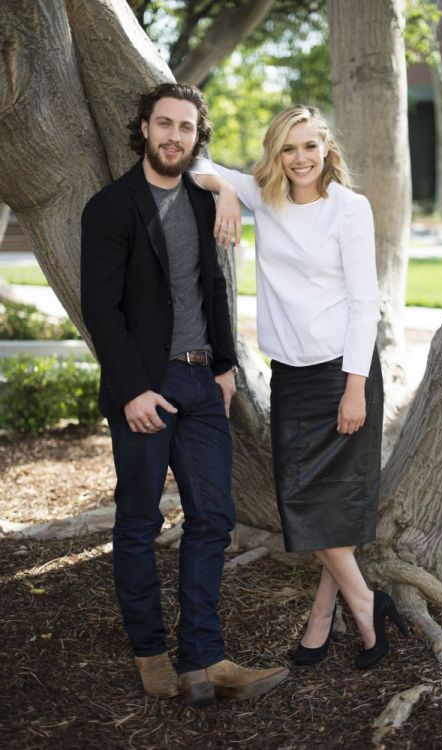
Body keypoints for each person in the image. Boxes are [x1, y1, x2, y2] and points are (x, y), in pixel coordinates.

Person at [80, 82, 288, 706]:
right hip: (146, 387)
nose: (175, 136)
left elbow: (213, 289)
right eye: (164, 123)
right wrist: (131, 391)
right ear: (143, 127)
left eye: (187, 127)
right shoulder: (111, 206)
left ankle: (205, 659)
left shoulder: (204, 201)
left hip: (202, 383)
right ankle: (151, 658)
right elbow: (101, 308)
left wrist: (224, 367)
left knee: (213, 519)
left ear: (199, 137)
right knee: (140, 523)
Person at [191, 105, 409, 669]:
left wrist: (355, 387)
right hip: (291, 376)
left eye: (309, 146)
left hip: (345, 371)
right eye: (289, 148)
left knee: (332, 502)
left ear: (326, 149)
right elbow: (194, 164)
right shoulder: (266, 197)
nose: (300, 158)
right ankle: (365, 600)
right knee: (301, 499)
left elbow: (365, 303)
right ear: (276, 155)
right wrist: (227, 193)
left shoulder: (349, 209)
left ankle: (331, 615)